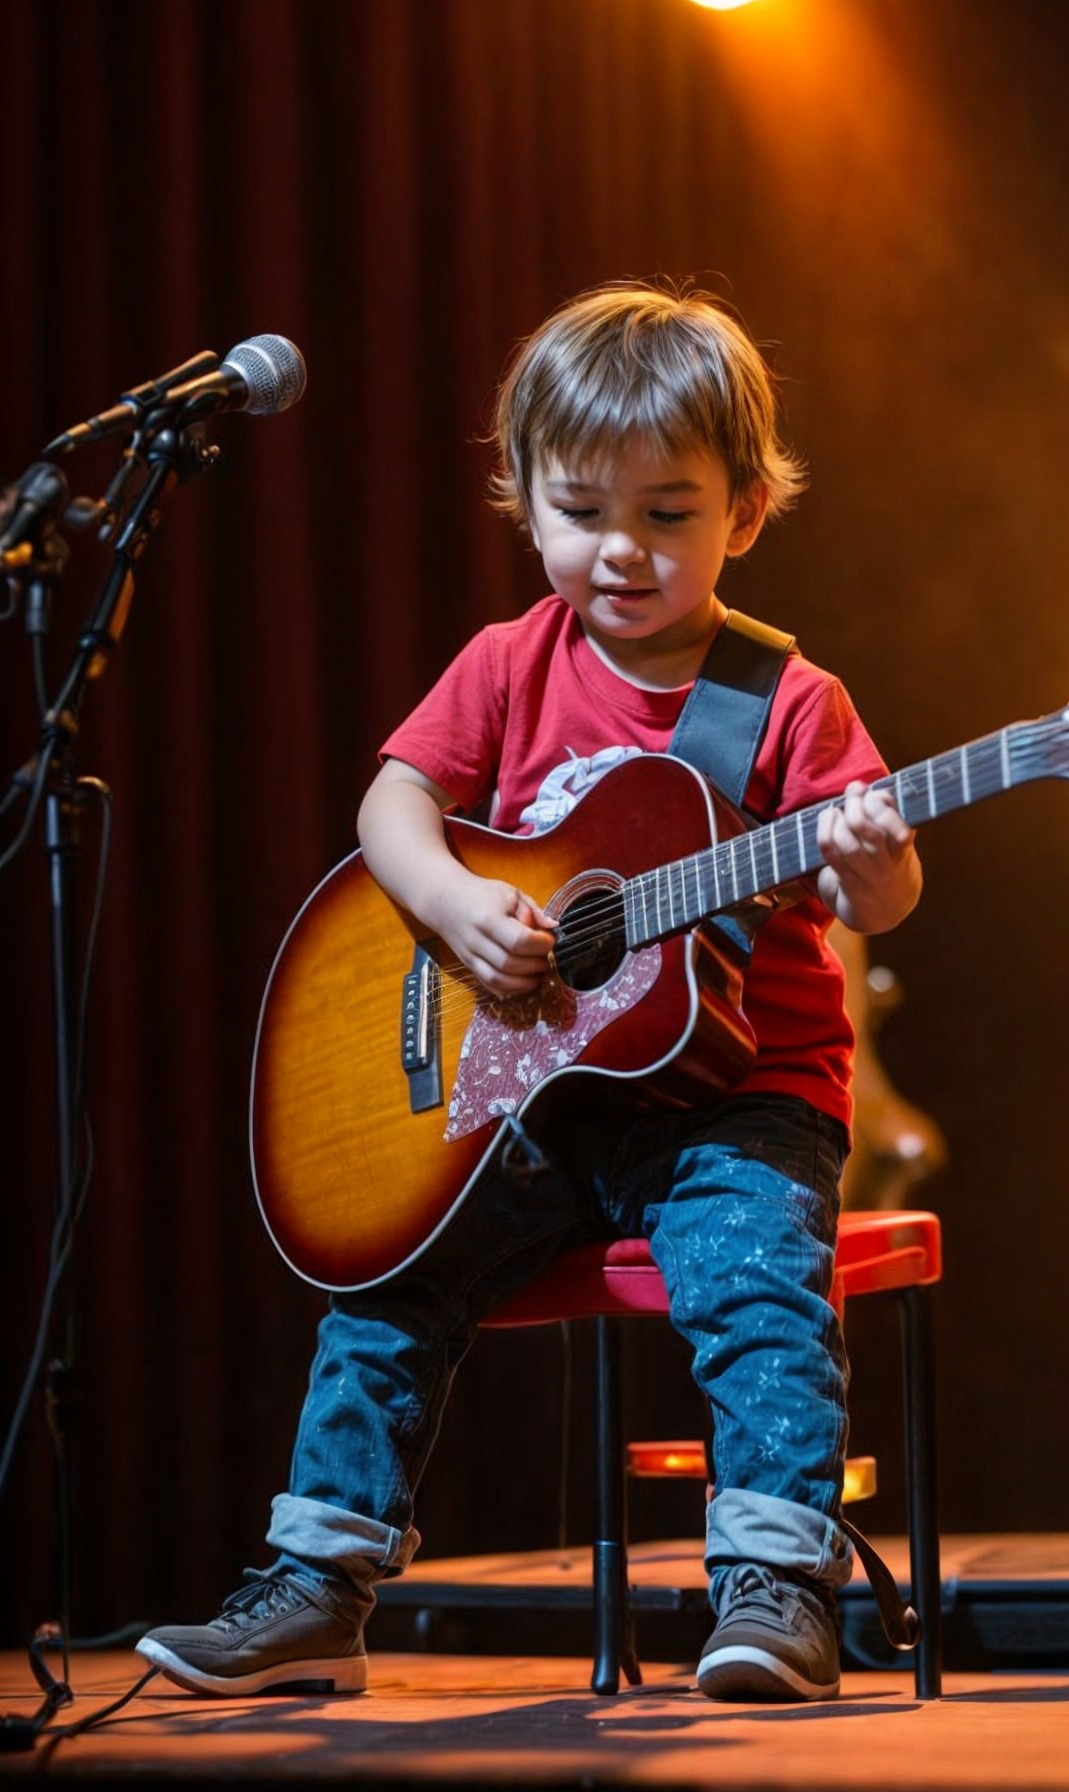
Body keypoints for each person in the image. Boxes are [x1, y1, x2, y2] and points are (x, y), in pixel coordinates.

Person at [136, 279, 923, 1704]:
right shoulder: (514, 661)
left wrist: (874, 862)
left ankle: (773, 1590)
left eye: (666, 515)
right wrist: (451, 908)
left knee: (756, 1292)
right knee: (387, 1275)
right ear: (526, 500)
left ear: (745, 511)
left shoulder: (787, 699)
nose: (618, 550)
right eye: (579, 512)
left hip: (738, 1103)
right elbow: (393, 809)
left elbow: (874, 899)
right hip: (534, 1093)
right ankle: (318, 1585)